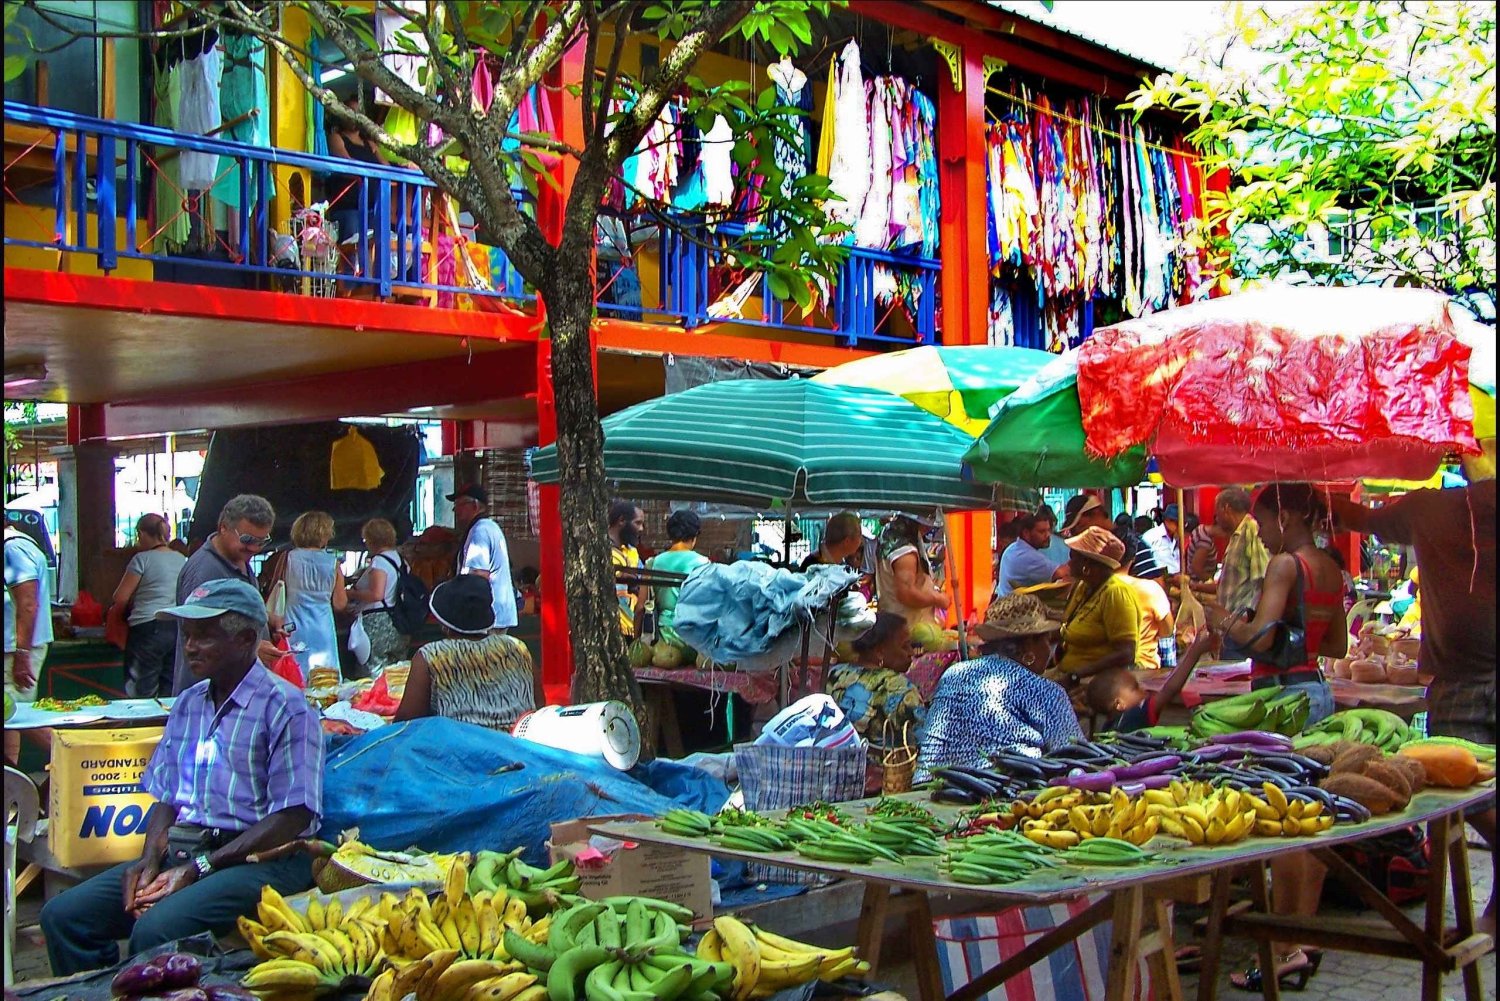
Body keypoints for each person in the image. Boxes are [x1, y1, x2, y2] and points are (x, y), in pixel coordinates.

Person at [40, 578, 321, 976]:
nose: (189, 646)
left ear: (244, 639)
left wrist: (200, 867)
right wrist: (148, 861)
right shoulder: (189, 703)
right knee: (65, 917)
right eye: (187, 635)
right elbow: (167, 797)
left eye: (204, 636)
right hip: (191, 850)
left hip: (262, 858)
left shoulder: (287, 707)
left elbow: (293, 816)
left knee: (157, 930)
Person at [1332, 478, 1496, 936]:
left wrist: (1333, 503)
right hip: (1457, 681)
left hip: (1459, 679)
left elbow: (1358, 518)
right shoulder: (1433, 507)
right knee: (1456, 794)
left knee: (1461, 795)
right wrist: (1325, 498)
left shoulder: (1433, 507)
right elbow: (1361, 520)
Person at [1204, 483, 1348, 992]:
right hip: (1316, 690)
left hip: (1283, 698)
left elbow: (1262, 637)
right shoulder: (1330, 566)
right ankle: (1301, 940)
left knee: (1288, 824)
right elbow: (1337, 641)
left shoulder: (1287, 565)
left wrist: (1224, 622)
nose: (1260, 531)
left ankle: (1283, 948)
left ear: (1285, 516)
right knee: (1313, 818)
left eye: (1264, 520)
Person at [918, 594, 1081, 779]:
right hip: (999, 794)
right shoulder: (1047, 692)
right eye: (1047, 640)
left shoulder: (953, 674)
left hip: (926, 786)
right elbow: (1074, 760)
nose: (1049, 649)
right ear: (1029, 646)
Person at [393, 574, 536, 731]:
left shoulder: (432, 655)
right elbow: (538, 707)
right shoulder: (517, 648)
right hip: (516, 748)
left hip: (459, 751)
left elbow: (407, 721)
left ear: (444, 624)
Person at [170, 494, 279, 696]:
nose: (254, 548)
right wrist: (254, 649)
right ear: (223, 528)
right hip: (208, 695)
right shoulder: (204, 570)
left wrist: (267, 620)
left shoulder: (239, 558)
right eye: (247, 540)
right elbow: (201, 635)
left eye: (262, 541)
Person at [1053, 527, 1142, 694]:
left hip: (1095, 684)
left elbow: (1126, 653)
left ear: (1088, 564)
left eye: (1074, 558)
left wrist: (1076, 676)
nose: (1069, 562)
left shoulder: (1116, 593)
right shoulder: (1083, 586)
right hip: (1068, 673)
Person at [111, 514, 187, 699]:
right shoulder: (182, 560)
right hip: (176, 627)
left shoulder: (141, 559)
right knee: (169, 689)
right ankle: (165, 727)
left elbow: (120, 597)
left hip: (147, 628)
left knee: (142, 691)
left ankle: (141, 725)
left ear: (143, 534)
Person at [827, 612, 928, 748]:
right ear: (880, 651)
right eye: (905, 646)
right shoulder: (900, 689)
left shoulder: (835, 674)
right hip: (886, 767)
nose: (911, 653)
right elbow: (927, 744)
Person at [1087, 627, 1218, 731]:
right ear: (1119, 704)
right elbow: (1170, 689)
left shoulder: (1108, 727)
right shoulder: (1136, 715)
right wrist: (1195, 652)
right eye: (1135, 688)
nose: (1143, 689)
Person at [4, 524, 53, 765]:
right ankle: (10, 780)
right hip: (16, 648)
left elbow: (27, 603)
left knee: (17, 715)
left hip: (16, 650)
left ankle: (77, 757)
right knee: (11, 719)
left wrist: (21, 653)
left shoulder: (12, 548)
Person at [283, 511, 347, 681]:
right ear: (324, 534)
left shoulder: (287, 559)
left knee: (295, 671)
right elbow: (340, 603)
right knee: (325, 676)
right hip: (322, 624)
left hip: (293, 623)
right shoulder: (333, 563)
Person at [449, 483, 518, 634]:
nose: (455, 510)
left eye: (460, 504)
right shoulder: (488, 527)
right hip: (494, 614)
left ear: (474, 505)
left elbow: (478, 576)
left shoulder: (480, 531)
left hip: (489, 618)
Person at [345, 518, 409, 676]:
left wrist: (350, 593)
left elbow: (376, 594)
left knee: (373, 671)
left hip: (377, 623)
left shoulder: (379, 562)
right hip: (398, 621)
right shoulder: (400, 560)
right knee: (396, 674)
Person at [1213, 487, 1270, 660]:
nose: (1216, 518)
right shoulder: (1236, 535)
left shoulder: (1250, 529)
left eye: (1217, 512)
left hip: (1239, 626)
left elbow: (1262, 578)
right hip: (1230, 625)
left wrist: (1247, 616)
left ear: (1226, 508)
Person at [645, 510, 711, 650]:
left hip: (663, 638)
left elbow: (640, 607)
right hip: (692, 639)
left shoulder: (653, 563)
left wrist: (637, 641)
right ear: (694, 536)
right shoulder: (703, 564)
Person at [1062, 494, 1163, 580]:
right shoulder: (1085, 551)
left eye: (1080, 525)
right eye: (1073, 530)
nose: (1077, 533)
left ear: (1097, 513)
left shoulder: (1135, 545)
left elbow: (1155, 583)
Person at [876, 515, 950, 631]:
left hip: (901, 624)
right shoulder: (904, 550)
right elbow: (907, 594)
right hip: (907, 628)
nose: (929, 528)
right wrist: (938, 599)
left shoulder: (894, 533)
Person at [994, 512, 1062, 598]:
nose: (1048, 535)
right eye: (1042, 531)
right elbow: (1061, 573)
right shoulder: (1026, 555)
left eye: (1048, 530)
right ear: (1026, 533)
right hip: (1014, 608)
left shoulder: (1013, 548)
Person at [608, 501, 647, 637]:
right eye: (637, 523)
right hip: (610, 628)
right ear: (622, 520)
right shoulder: (600, 552)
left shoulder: (632, 551)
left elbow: (643, 580)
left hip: (632, 628)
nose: (641, 529)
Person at [799, 512, 863, 571]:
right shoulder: (812, 566)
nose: (861, 540)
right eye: (859, 535)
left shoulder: (841, 563)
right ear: (847, 541)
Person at [1142, 504, 1183, 576]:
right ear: (1167, 520)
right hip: (1157, 580)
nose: (1180, 526)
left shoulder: (1179, 538)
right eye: (1176, 522)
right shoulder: (1150, 537)